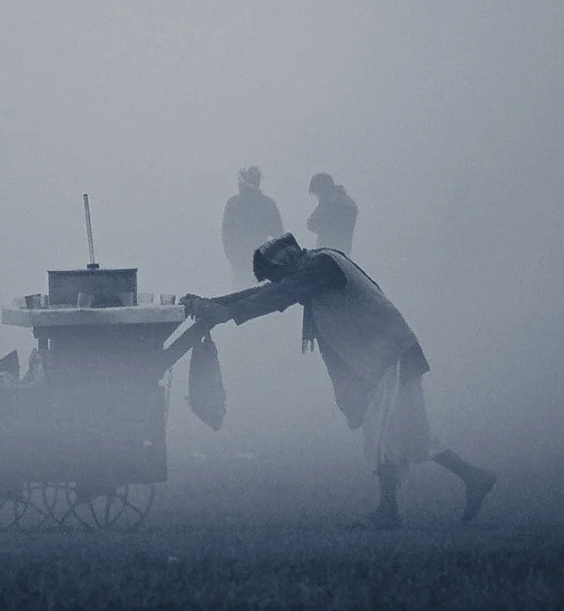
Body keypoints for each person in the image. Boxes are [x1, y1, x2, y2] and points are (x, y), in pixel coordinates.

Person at [182, 233, 496, 528]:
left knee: (382, 432)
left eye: (277, 274)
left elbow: (280, 293)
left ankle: (389, 512)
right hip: (386, 357)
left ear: (286, 260)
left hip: (390, 355)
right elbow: (271, 292)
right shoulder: (312, 268)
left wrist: (226, 312)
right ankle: (473, 479)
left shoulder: (321, 265)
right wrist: (215, 303)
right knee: (411, 435)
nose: (278, 281)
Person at [221, 166, 284, 286]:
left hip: (241, 259)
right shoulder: (267, 203)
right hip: (257, 258)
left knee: (241, 292)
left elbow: (226, 233)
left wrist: (232, 255)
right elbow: (278, 232)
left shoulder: (233, 203)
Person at [306, 173, 359, 255]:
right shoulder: (344, 203)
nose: (318, 197)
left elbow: (311, 224)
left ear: (324, 189)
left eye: (318, 193)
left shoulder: (330, 205)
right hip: (340, 254)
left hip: (330, 253)